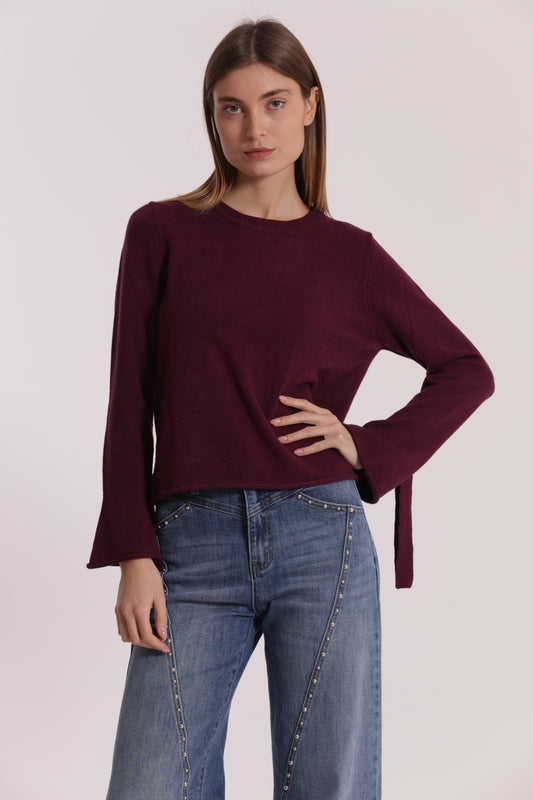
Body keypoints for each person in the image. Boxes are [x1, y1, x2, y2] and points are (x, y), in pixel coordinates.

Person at [87, 17, 495, 800]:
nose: (255, 129)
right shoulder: (161, 232)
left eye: (274, 103)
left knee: (326, 785)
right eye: (232, 108)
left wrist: (367, 445)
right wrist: (134, 553)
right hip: (189, 547)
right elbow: (127, 400)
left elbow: (465, 369)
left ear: (309, 105)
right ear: (212, 118)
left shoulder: (350, 256)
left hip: (321, 539)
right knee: (148, 784)